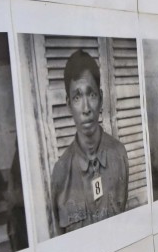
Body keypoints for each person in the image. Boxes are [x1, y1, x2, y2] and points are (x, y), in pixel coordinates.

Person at [51, 50, 129, 234]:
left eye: (91, 95)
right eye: (77, 97)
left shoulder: (119, 155)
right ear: (69, 104)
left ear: (101, 98)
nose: (86, 109)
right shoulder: (60, 172)